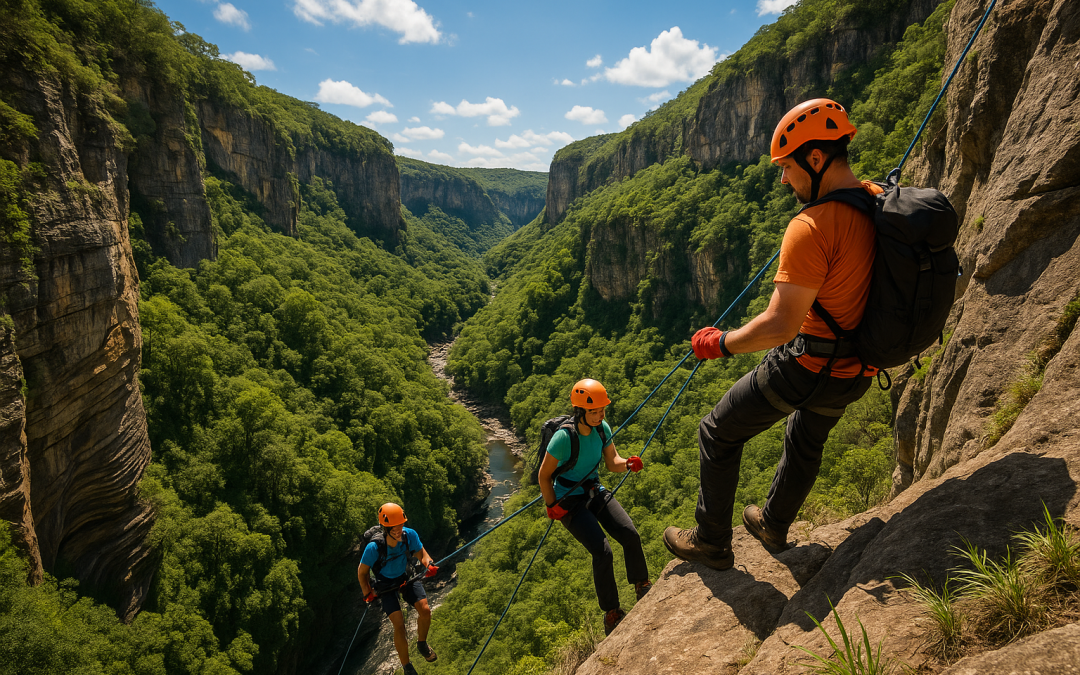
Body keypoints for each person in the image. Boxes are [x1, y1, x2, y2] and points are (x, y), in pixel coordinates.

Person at [663, 99, 880, 570]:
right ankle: (774, 524)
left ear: (815, 159)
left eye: (787, 167)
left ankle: (711, 541)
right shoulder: (878, 201)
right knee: (807, 437)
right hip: (858, 367)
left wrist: (720, 343)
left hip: (807, 365)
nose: (783, 179)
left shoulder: (810, 226)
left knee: (717, 431)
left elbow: (782, 325)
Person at [539, 378, 650, 635]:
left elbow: (612, 462)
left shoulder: (602, 429)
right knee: (603, 552)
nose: (600, 415)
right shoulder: (563, 438)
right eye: (594, 411)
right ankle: (612, 613)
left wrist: (628, 464)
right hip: (568, 500)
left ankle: (641, 584)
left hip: (593, 489)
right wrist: (551, 505)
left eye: (602, 410)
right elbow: (544, 476)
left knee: (630, 533)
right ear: (580, 411)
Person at [358, 503, 440, 675]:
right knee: (399, 624)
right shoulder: (374, 548)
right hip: (384, 585)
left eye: (400, 526)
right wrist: (367, 592)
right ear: (384, 528)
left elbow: (421, 553)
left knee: (425, 610)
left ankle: (422, 644)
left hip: (405, 577)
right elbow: (362, 572)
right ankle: (407, 667)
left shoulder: (409, 536)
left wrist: (429, 564)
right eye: (393, 528)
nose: (398, 530)